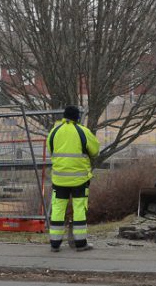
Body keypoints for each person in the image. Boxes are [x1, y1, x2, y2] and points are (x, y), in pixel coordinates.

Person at [47, 105, 100, 252]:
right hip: (79, 180)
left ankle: (55, 244)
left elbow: (51, 150)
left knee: (57, 209)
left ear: (64, 116)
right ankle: (80, 243)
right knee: (79, 209)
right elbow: (95, 151)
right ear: (78, 117)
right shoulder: (82, 131)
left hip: (59, 179)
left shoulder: (54, 131)